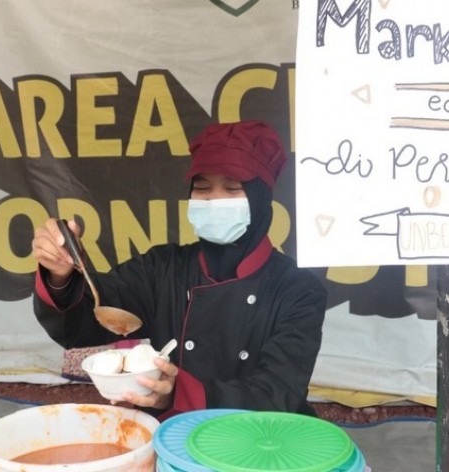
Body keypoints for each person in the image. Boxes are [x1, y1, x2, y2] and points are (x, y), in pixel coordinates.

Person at [31, 120, 328, 418]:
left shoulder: (297, 289)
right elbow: (85, 322)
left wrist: (178, 394)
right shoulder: (164, 268)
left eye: (232, 188)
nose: (214, 200)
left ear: (261, 198)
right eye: (202, 188)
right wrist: (62, 275)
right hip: (174, 439)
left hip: (260, 445)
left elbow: (277, 394)